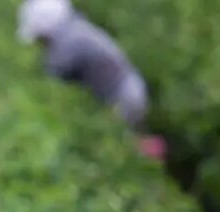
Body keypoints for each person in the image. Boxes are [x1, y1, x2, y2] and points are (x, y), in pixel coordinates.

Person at [17, 0, 166, 160]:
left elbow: (54, 74)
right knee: (130, 140)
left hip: (123, 97)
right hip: (130, 89)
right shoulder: (76, 29)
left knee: (121, 148)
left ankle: (154, 159)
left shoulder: (68, 42)